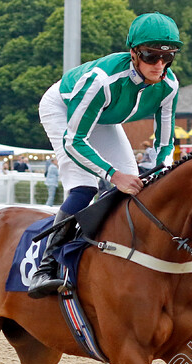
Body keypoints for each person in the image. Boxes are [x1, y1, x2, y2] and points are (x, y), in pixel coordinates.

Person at [29, 12, 182, 298]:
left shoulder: (169, 85)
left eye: (168, 57)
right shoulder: (103, 81)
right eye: (151, 56)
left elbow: (165, 145)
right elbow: (74, 141)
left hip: (104, 118)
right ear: (134, 53)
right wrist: (113, 174)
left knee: (134, 188)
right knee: (85, 186)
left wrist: (164, 173)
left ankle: (107, 255)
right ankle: (45, 267)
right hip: (63, 109)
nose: (160, 65)